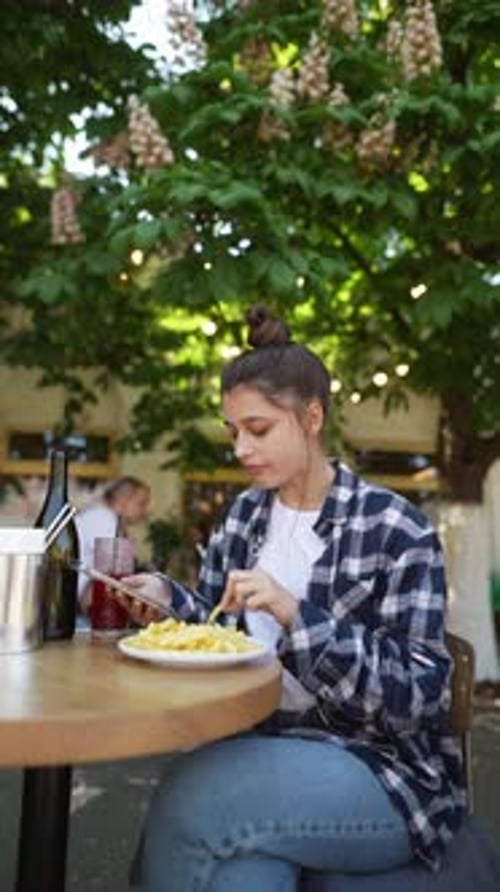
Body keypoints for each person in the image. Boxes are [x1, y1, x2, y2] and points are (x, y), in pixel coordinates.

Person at [120, 305, 466, 892]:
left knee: (189, 799)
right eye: (233, 432)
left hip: (380, 768)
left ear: (312, 417)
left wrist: (293, 615)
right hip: (260, 742)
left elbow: (420, 698)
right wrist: (166, 599)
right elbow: (217, 616)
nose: (240, 449)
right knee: (237, 869)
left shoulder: (395, 527)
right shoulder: (245, 515)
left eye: (258, 430)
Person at [75, 475, 151, 603]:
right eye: (142, 503)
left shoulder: (103, 517)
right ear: (123, 500)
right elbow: (115, 574)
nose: (148, 510)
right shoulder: (105, 519)